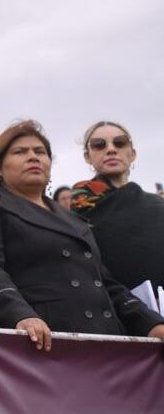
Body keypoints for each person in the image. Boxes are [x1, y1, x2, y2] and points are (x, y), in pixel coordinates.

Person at [0, 120, 164, 351]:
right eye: (20, 152)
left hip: (106, 339)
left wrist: (150, 323)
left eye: (40, 152)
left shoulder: (74, 219)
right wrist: (20, 315)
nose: (33, 157)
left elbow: (106, 283)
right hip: (43, 340)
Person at [70, 121, 164, 291]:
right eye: (99, 145)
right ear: (87, 156)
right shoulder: (78, 209)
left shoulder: (158, 206)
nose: (111, 149)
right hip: (111, 307)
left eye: (120, 142)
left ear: (133, 153)